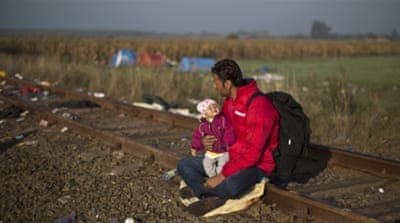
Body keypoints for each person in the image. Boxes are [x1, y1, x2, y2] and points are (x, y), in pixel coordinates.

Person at [177, 58, 280, 214]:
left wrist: (222, 175)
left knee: (230, 184)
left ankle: (204, 191)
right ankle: (208, 194)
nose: (214, 86)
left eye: (216, 82)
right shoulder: (229, 102)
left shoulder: (259, 106)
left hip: (256, 165)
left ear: (228, 84)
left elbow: (253, 153)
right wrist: (206, 140)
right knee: (184, 164)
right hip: (229, 157)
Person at [191, 98, 235, 178]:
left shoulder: (223, 120)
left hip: (223, 151)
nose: (214, 109)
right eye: (210, 108)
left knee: (222, 166)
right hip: (211, 152)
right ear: (205, 114)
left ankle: (219, 178)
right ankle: (213, 177)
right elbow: (197, 136)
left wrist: (228, 143)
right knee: (207, 165)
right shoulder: (203, 126)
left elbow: (229, 131)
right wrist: (195, 147)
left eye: (215, 106)